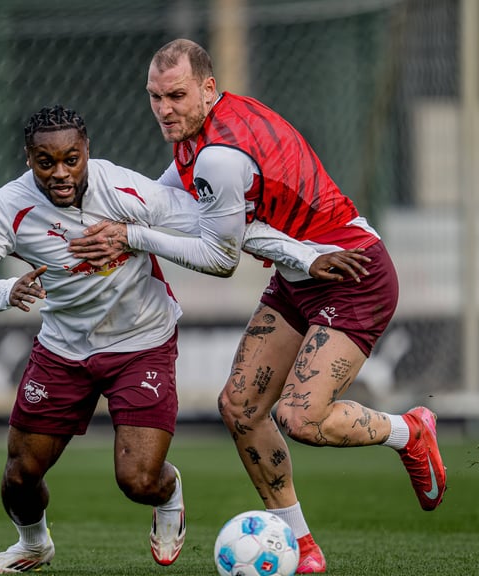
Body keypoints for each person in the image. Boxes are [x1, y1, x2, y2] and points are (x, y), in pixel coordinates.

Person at [68, 39, 447, 574]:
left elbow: (219, 257)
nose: (164, 109)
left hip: (352, 274)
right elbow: (164, 203)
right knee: (240, 408)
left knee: (301, 418)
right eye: (154, 97)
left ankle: (410, 431)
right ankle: (302, 545)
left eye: (175, 95)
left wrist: (130, 237)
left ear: (207, 88)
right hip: (301, 276)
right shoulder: (204, 129)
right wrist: (110, 235)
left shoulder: (220, 157)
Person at [0, 104, 316, 574]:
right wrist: (4, 289)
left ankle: (170, 493)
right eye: (45, 162)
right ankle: (33, 544)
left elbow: (217, 226)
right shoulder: (7, 206)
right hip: (63, 349)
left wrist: (307, 256)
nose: (60, 173)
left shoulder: (124, 187)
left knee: (138, 480)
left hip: (142, 342)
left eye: (70, 159)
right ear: (28, 157)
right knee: (19, 476)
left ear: (87, 152)